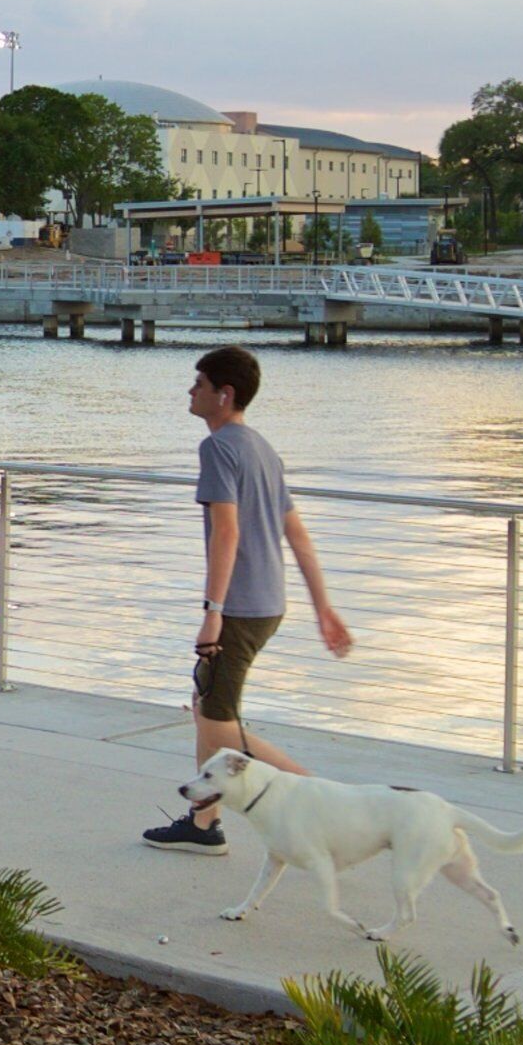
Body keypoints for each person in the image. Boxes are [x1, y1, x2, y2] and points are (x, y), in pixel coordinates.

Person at [144, 346, 356, 852]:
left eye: (198, 384)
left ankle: (325, 800)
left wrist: (212, 614)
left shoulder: (218, 449)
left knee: (218, 724)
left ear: (225, 394)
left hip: (239, 608)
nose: (190, 392)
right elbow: (298, 535)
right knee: (207, 705)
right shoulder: (262, 448)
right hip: (269, 604)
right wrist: (323, 607)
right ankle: (202, 823)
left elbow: (227, 533)